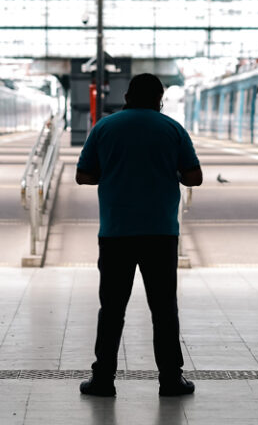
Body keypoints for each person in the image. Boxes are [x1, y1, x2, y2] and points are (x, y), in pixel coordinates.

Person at [75, 73, 203, 398]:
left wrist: (112, 172)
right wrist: (167, 170)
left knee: (112, 310)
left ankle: (102, 379)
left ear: (128, 96)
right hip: (160, 233)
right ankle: (171, 380)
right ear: (159, 98)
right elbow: (194, 177)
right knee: (163, 310)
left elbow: (84, 175)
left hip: (116, 233)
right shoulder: (172, 128)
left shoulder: (104, 127)